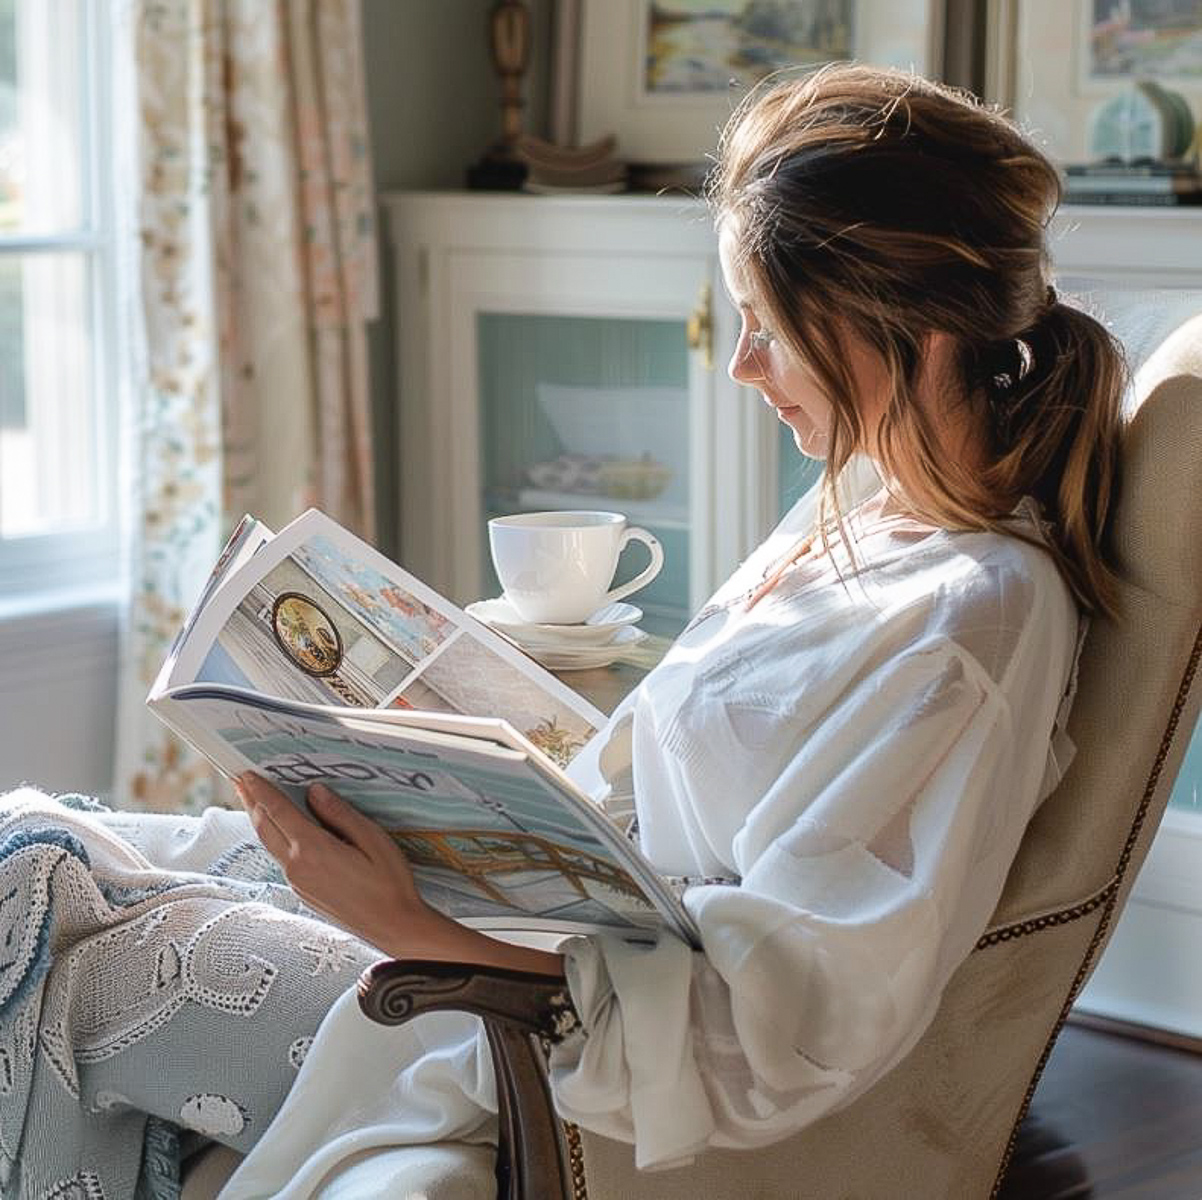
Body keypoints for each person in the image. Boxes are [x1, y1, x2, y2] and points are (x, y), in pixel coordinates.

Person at [0, 62, 1124, 1197]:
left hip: (511, 1013)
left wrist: (402, 922)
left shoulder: (962, 625)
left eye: (766, 328)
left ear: (909, 331)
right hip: (518, 913)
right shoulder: (868, 506)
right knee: (32, 845)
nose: (738, 366)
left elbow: (772, 1025)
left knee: (65, 957)